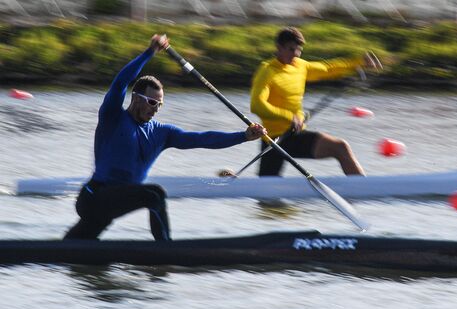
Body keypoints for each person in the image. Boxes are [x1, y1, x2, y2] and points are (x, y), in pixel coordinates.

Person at [64, 34, 266, 241]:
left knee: (73, 249)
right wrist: (149, 52)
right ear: (135, 98)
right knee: (154, 194)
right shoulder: (112, 117)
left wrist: (243, 136)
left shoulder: (162, 133)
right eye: (152, 103)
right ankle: (166, 248)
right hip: (94, 197)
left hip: (114, 203)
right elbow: (120, 82)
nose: (156, 109)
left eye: (160, 105)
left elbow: (202, 139)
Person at [250, 27, 381, 176]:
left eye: (299, 50)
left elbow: (327, 68)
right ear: (279, 48)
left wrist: (359, 62)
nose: (296, 54)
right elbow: (257, 105)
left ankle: (360, 188)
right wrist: (290, 117)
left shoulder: (300, 66)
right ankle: (361, 189)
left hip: (294, 135)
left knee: (340, 147)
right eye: (291, 49)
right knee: (266, 190)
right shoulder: (267, 71)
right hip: (274, 139)